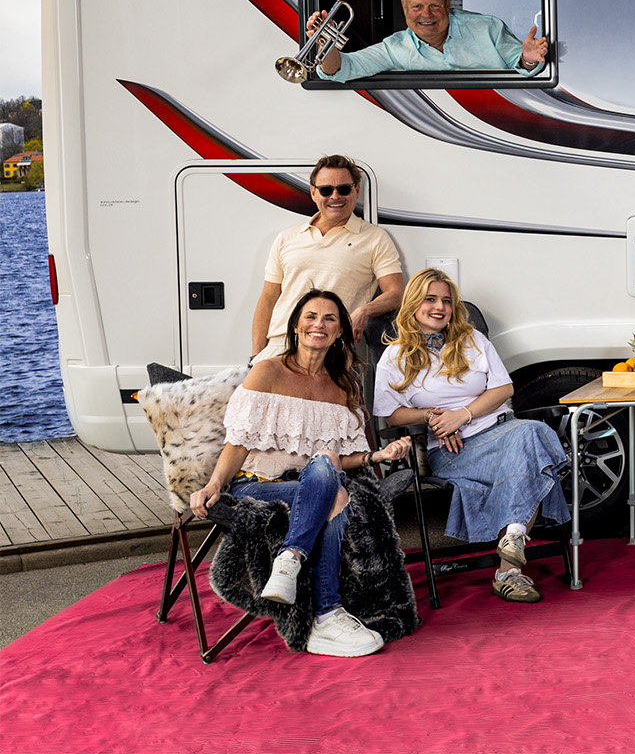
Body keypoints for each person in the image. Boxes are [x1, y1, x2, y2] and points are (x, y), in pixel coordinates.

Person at [188, 289, 413, 657]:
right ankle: (327, 613)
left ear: (339, 331)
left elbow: (344, 458)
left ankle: (290, 562)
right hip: (257, 486)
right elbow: (238, 443)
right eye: (310, 316)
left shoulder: (342, 386)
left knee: (328, 468)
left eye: (329, 319)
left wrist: (378, 455)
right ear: (295, 326)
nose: (318, 325)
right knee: (335, 491)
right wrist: (215, 483)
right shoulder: (267, 371)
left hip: (310, 484)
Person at [372, 269, 568, 604]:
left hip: (502, 432)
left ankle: (511, 550)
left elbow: (504, 389)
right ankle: (511, 560)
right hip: (452, 449)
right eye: (431, 299)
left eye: (446, 301)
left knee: (528, 435)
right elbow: (391, 414)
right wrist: (431, 416)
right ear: (414, 303)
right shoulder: (395, 356)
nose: (440, 307)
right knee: (532, 439)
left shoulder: (472, 339)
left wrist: (462, 415)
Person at [251, 155, 404, 361]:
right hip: (281, 346)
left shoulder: (375, 238)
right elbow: (268, 298)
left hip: (333, 349)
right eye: (326, 190)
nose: (335, 196)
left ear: (357, 190)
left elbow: (396, 293)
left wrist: (364, 311)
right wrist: (257, 355)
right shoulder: (287, 238)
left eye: (344, 189)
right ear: (313, 192)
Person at [313, 0, 548, 81]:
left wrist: (528, 60)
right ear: (404, 8)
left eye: (435, 5)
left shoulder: (488, 28)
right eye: (417, 6)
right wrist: (326, 45)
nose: (426, 14)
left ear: (448, 5)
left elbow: (523, 64)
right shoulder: (394, 48)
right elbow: (342, 69)